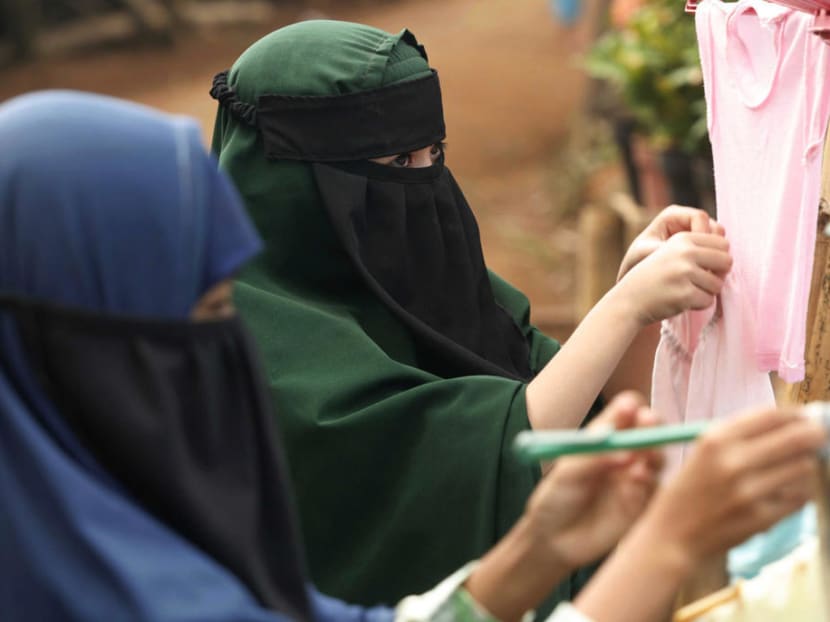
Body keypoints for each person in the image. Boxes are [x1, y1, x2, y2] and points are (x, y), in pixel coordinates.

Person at [0, 91, 821, 622]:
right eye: (211, 313)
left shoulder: (107, 532)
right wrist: (669, 544)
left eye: (432, 157)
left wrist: (531, 550)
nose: (232, 342)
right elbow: (479, 440)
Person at [209, 19, 732, 607]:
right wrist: (621, 309)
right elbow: (500, 459)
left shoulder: (420, 272)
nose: (425, 182)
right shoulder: (252, 348)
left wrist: (634, 305)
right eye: (399, 163)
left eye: (434, 153)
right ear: (288, 182)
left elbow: (604, 419)